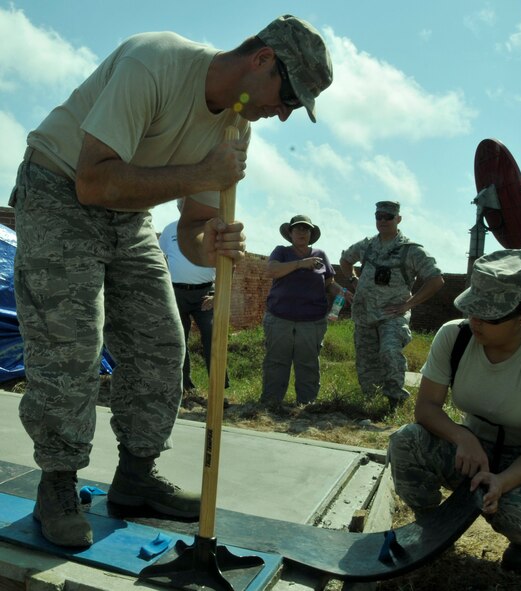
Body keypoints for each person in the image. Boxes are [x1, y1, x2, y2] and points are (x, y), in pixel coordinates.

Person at [8, 15, 332, 548]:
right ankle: (57, 487)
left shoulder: (235, 125)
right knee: (72, 346)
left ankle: (136, 477)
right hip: (60, 191)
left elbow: (191, 231)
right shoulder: (153, 62)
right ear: (262, 59)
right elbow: (92, 180)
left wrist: (214, 245)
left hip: (128, 214)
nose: (284, 115)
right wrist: (202, 174)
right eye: (289, 97)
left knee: (162, 342)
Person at [388, 249, 521, 572]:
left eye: (488, 315)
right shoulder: (455, 335)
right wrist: (462, 436)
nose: (474, 320)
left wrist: (502, 481)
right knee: (405, 442)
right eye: (472, 309)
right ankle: (431, 528)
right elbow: (426, 408)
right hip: (469, 452)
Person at [339, 201, 443, 409]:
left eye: (388, 216)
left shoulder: (411, 250)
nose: (383, 220)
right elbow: (345, 259)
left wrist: (409, 304)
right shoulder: (366, 245)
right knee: (366, 360)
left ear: (398, 219)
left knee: (389, 351)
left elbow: (436, 280)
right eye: (379, 216)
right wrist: (353, 280)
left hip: (392, 314)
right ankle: (370, 402)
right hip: (364, 313)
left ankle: (395, 401)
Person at [260, 215, 350, 407]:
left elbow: (329, 283)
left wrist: (342, 292)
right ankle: (270, 404)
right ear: (290, 233)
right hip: (279, 318)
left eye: (306, 229)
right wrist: (301, 263)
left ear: (311, 234)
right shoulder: (282, 252)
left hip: (312, 321)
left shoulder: (321, 255)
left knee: (308, 363)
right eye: (298, 229)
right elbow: (271, 271)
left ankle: (307, 406)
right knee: (276, 362)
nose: (302, 232)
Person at [158, 198, 229, 396]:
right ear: (178, 207)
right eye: (182, 204)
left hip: (206, 294)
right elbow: (160, 258)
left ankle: (219, 389)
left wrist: (218, 295)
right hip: (176, 292)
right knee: (178, 339)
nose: (185, 207)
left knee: (214, 337)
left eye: (189, 204)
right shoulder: (169, 230)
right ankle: (184, 386)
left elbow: (228, 266)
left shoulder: (213, 230)